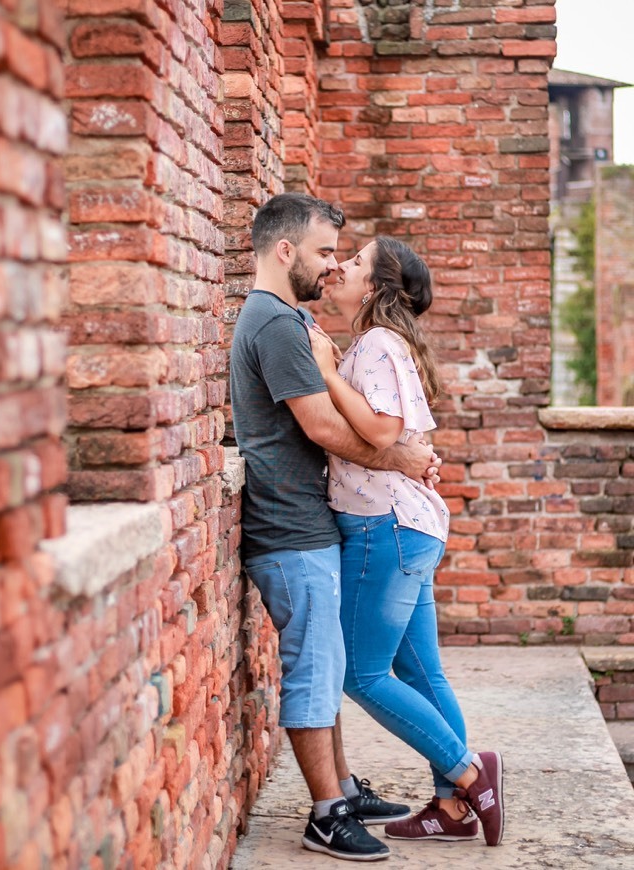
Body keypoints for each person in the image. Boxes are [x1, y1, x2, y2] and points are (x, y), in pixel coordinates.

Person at [230, 194, 442, 861]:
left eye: (339, 256)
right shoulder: (273, 323)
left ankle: (343, 787)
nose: (330, 268)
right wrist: (404, 457)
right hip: (288, 529)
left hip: (307, 523)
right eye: (325, 252)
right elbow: (322, 427)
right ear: (284, 250)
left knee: (330, 668)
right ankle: (327, 815)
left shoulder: (289, 320)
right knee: (316, 671)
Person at [308, 236, 505, 847]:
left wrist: (321, 371)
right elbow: (396, 434)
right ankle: (450, 810)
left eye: (357, 262)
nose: (340, 265)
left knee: (362, 675)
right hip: (408, 526)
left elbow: (381, 429)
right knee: (421, 671)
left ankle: (471, 772)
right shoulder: (377, 346)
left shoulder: (375, 344)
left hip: (383, 527)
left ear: (374, 289)